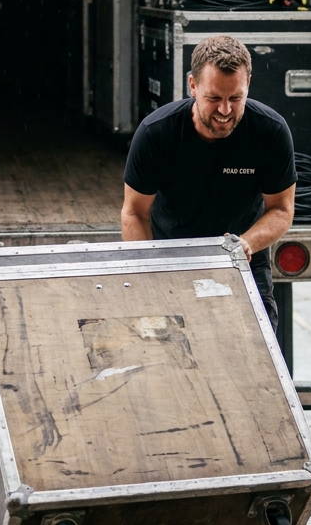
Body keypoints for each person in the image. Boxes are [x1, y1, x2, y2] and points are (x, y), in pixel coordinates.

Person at [121, 35, 296, 328]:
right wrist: (148, 276)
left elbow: (281, 209)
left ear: (248, 85)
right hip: (171, 256)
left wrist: (246, 244)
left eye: (235, 98)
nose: (225, 111)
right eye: (214, 98)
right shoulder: (156, 133)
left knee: (255, 360)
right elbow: (135, 213)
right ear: (193, 85)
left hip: (244, 260)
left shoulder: (271, 132)